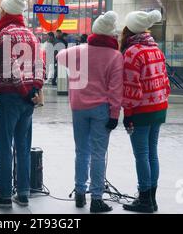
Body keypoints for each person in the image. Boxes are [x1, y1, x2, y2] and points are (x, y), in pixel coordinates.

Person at [0, 0, 45, 209]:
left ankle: (3, 194)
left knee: (5, 146)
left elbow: (10, 66)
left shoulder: (4, 35)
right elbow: (41, 65)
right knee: (23, 145)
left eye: (1, 11)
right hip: (29, 100)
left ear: (6, 12)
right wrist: (35, 89)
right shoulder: (32, 35)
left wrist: (21, 90)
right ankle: (24, 192)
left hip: (11, 97)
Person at [57, 11, 123, 213]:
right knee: (98, 153)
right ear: (111, 35)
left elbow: (59, 56)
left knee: (81, 151)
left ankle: (79, 193)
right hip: (101, 109)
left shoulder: (78, 50)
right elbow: (115, 89)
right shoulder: (115, 56)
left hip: (78, 108)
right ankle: (96, 199)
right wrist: (114, 115)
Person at [120, 10, 170, 213]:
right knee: (152, 153)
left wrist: (128, 114)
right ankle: (152, 198)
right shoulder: (155, 49)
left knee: (141, 154)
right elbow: (165, 82)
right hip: (159, 107)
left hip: (141, 110)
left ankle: (144, 199)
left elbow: (131, 88)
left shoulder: (133, 53)